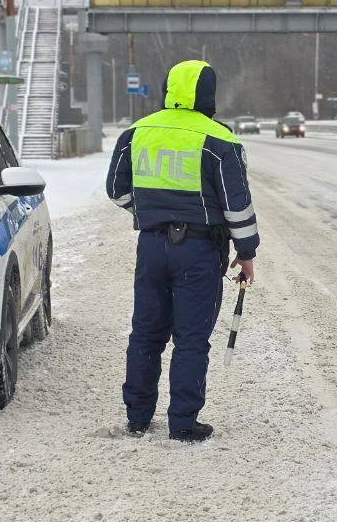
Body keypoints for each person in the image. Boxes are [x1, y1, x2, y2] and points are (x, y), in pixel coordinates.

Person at [105, 60, 259, 443]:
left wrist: (149, 213)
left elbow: (116, 190)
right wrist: (246, 252)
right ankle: (184, 423)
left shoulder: (137, 132)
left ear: (167, 90)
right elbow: (236, 207)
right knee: (191, 338)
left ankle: (138, 417)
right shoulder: (220, 139)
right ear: (209, 94)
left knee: (146, 333)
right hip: (199, 250)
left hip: (152, 246)